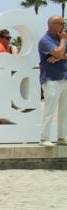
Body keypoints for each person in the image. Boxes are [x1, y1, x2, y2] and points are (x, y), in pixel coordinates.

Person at [38, 15, 67, 146]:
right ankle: (44, 138)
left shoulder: (60, 39)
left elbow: (60, 54)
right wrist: (63, 41)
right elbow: (58, 52)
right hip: (51, 79)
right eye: (60, 24)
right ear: (51, 25)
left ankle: (62, 136)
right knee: (49, 109)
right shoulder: (45, 40)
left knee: (64, 110)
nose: (63, 26)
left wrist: (59, 57)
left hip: (63, 77)